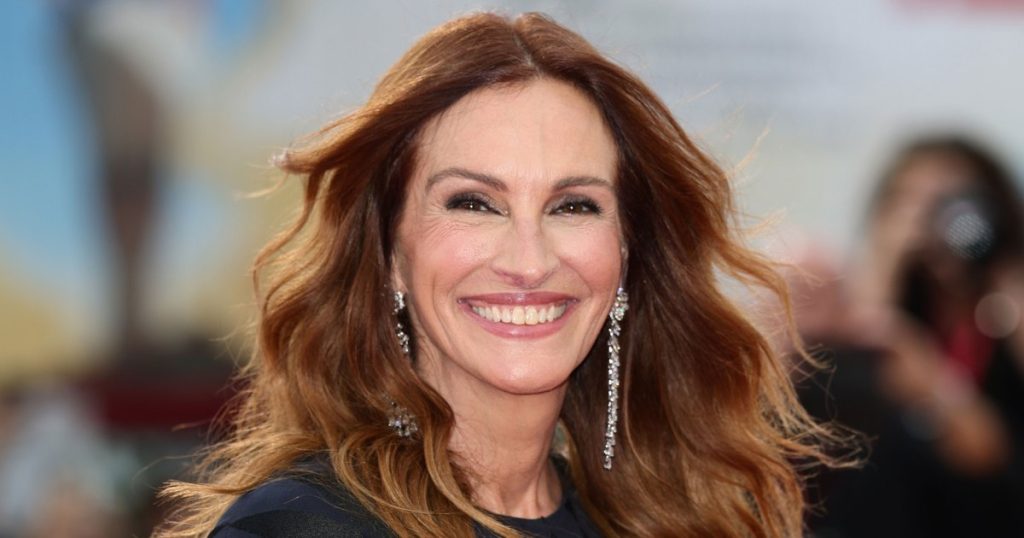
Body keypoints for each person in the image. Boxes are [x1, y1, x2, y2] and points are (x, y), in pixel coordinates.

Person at [156, 12, 843, 537]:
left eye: (573, 206)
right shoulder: (303, 525)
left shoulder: (667, 522)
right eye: (473, 203)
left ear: (627, 256)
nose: (529, 260)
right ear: (391, 254)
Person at [795, 136, 1024, 537]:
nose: (930, 220)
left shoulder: (1007, 305)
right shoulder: (883, 310)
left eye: (949, 201)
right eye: (906, 200)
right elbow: (841, 406)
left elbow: (993, 453)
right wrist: (886, 264)